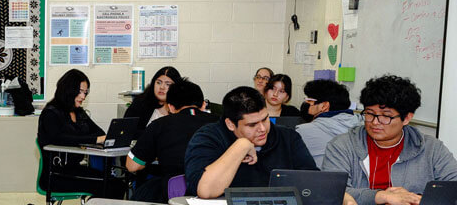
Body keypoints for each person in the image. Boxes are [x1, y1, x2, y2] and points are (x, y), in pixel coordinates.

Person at [322, 75, 457, 205]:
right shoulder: (342, 145)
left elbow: (453, 187)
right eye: (369, 114)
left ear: (407, 118)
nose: (375, 122)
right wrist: (382, 196)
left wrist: (416, 199)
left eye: (386, 116)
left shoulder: (431, 148)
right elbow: (333, 190)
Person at [184, 87, 317, 198]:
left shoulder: (288, 137)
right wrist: (241, 145)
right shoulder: (208, 137)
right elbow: (206, 190)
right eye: (252, 125)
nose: (263, 129)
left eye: (265, 119)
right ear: (230, 124)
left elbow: (314, 185)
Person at [36, 69, 125, 198]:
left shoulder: (78, 112)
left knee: (116, 183)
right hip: (55, 175)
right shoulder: (51, 113)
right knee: (109, 185)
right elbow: (59, 139)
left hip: (72, 170)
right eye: (80, 92)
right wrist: (95, 139)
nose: (83, 97)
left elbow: (99, 132)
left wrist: (99, 138)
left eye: (85, 92)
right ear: (68, 90)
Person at [126, 80, 218, 202]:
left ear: (170, 107)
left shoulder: (159, 125)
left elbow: (132, 166)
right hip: (216, 191)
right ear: (203, 105)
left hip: (175, 193)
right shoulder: (220, 123)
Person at [293, 79, 358, 167]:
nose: (306, 103)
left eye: (310, 101)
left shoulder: (302, 132)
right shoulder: (362, 128)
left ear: (324, 106)